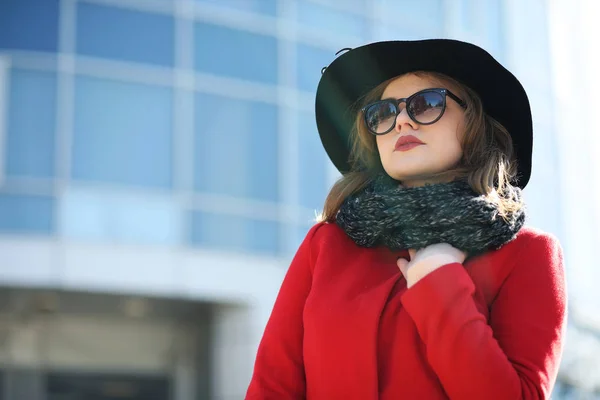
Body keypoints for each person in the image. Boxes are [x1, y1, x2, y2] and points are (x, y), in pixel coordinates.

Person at [245, 39, 567, 399]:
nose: (400, 121)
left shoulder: (529, 253)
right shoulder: (326, 245)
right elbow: (271, 388)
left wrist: (440, 284)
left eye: (426, 104)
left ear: (475, 122)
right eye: (382, 113)